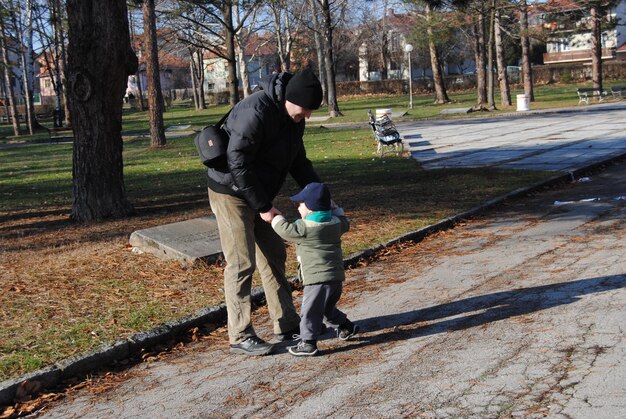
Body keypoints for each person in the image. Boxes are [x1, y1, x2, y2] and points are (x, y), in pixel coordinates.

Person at [206, 69, 324, 356]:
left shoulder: (292, 119)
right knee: (241, 261)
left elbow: (299, 161)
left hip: (258, 191)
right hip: (229, 192)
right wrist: (263, 207)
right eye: (305, 109)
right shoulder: (256, 110)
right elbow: (238, 162)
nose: (307, 115)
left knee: (274, 253)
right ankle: (240, 334)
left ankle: (286, 323)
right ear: (291, 99)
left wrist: (321, 196)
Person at [271, 182, 359, 356]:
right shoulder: (335, 224)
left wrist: (275, 217)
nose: (298, 207)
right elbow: (345, 222)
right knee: (327, 309)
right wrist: (336, 208)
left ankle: (308, 343)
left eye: (301, 204)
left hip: (316, 280)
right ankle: (346, 326)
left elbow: (284, 230)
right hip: (335, 278)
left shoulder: (304, 228)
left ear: (310, 209)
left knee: (309, 311)